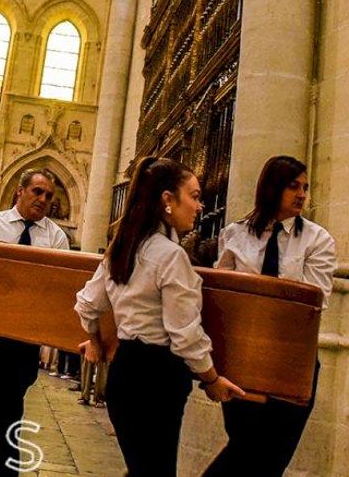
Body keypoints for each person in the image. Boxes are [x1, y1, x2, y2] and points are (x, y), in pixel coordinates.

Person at [75, 157, 244, 477]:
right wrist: (211, 379)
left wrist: (96, 340)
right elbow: (184, 333)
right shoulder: (170, 256)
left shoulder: (122, 248)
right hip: (157, 380)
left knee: (143, 469)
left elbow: (87, 304)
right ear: (168, 199)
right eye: (193, 196)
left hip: (124, 375)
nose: (200, 205)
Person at [203, 155, 337, 477]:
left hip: (292, 361)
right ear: (272, 188)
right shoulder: (235, 235)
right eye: (294, 186)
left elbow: (313, 301)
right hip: (242, 359)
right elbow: (224, 294)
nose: (302, 194)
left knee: (272, 457)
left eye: (305, 187)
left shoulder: (317, 240)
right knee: (245, 444)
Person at [0, 168, 71, 476]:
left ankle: (4, 470)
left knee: (10, 410)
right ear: (20, 191)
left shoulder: (55, 238)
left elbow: (56, 288)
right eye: (37, 191)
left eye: (48, 195)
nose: (43, 199)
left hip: (22, 339)